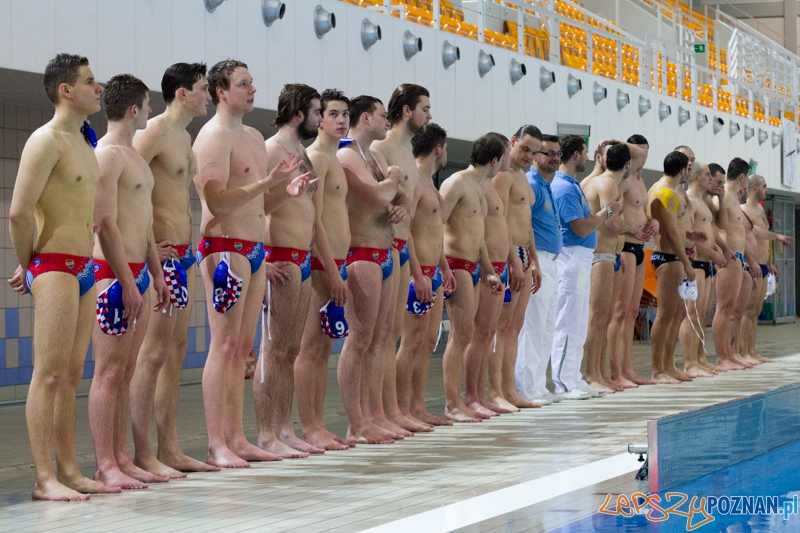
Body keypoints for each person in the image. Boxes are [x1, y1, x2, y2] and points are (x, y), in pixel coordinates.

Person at [193, 59, 313, 468]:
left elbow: (261, 205)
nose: (252, 90)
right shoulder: (212, 137)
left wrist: (286, 191)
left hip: (253, 249)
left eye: (252, 83)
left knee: (242, 348)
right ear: (220, 92)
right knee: (223, 345)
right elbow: (218, 201)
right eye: (243, 84)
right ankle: (216, 442)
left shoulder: (252, 136)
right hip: (223, 246)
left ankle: (237, 436)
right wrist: (265, 183)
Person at [8, 54, 117, 501]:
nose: (100, 88)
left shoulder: (85, 144)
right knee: (47, 374)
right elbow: (17, 212)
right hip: (52, 264)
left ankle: (69, 469)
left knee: (71, 375)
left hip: (84, 268)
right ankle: (43, 478)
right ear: (65, 90)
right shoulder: (45, 140)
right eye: (91, 81)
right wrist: (30, 263)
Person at [129, 62, 220, 477]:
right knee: (151, 354)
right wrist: (148, 245)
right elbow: (125, 188)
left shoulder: (185, 137)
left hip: (182, 257)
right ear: (182, 93)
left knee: (175, 351)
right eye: (203, 88)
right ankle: (143, 451)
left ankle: (169, 447)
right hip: (159, 259)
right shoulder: (152, 133)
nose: (209, 95)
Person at [87, 74, 171, 489]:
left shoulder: (134, 156)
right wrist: (127, 281)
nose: (152, 110)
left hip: (137, 273)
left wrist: (155, 273)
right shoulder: (106, 156)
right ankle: (105, 463)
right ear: (135, 108)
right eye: (148, 104)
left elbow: (145, 223)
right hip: (112, 276)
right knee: (108, 372)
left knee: (126, 368)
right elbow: (105, 225)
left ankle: (121, 456)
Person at [255, 84, 323, 458]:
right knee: (273, 349)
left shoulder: (302, 154)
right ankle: (266, 432)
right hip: (278, 256)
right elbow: (258, 204)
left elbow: (308, 210)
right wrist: (262, 259)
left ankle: (284, 427)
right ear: (299, 114)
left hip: (302, 257)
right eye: (316, 112)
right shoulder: (270, 150)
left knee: (290, 349)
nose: (320, 119)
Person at [336, 95, 406, 443]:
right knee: (359, 339)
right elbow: (379, 197)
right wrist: (393, 178)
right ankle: (356, 423)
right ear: (365, 118)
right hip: (360, 252)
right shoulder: (347, 155)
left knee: (381, 338)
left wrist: (397, 202)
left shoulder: (375, 156)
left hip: (385, 251)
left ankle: (373, 415)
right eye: (382, 116)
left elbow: (399, 198)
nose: (387, 121)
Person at [371, 84, 432, 434]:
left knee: (391, 333)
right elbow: (375, 200)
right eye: (425, 108)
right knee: (377, 336)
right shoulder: (381, 147)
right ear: (407, 111)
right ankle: (376, 414)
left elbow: (405, 212)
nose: (429, 115)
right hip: (380, 248)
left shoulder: (406, 151)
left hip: (399, 249)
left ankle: (390, 410)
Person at [294, 89, 352, 451]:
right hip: (320, 263)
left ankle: (318, 423)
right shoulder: (315, 157)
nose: (341, 119)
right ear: (319, 119)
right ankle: (309, 426)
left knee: (322, 349)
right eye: (332, 113)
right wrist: (330, 270)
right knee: (309, 348)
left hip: (335, 262)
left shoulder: (336, 160)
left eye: (344, 113)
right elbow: (312, 220)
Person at [440, 133, 505, 422]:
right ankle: (452, 403)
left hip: (474, 265)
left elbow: (478, 237)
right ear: (495, 160)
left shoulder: (479, 188)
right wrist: (441, 266)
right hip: (455, 263)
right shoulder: (457, 183)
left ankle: (473, 398)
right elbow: (435, 223)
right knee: (460, 335)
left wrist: (489, 271)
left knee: (473, 335)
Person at [395, 123, 455, 427]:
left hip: (433, 272)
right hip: (416, 273)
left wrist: (443, 268)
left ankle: (417, 406)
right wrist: (417, 274)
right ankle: (400, 409)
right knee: (412, 342)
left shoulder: (431, 184)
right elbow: (404, 232)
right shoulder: (415, 182)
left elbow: (433, 233)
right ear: (438, 148)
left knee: (428, 341)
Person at [550, 135, 619, 399]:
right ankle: (563, 381)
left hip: (580, 259)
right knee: (567, 321)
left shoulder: (573, 185)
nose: (588, 157)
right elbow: (580, 227)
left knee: (577, 321)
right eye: (585, 152)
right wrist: (606, 213)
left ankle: (573, 377)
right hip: (571, 257)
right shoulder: (564, 187)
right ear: (576, 154)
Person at [490, 125, 543, 410]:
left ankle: (509, 388)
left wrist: (533, 261)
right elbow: (498, 221)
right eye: (525, 149)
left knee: (514, 327)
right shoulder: (503, 175)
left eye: (534, 152)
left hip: (523, 255)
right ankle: (495, 390)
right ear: (512, 142)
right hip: (508, 256)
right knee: (500, 327)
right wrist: (512, 259)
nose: (529, 156)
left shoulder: (523, 178)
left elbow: (527, 224)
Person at [515, 135, 571, 404]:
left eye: (557, 153)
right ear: (536, 156)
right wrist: (532, 261)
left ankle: (538, 384)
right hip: (537, 261)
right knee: (533, 326)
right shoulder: (530, 183)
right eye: (548, 153)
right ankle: (526, 386)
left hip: (552, 262)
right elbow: (524, 228)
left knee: (547, 326)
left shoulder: (546, 186)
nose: (555, 158)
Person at [463, 134, 515, 416]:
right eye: (508, 153)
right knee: (476, 333)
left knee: (487, 333)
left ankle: (481, 394)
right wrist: (487, 267)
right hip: (482, 267)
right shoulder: (475, 185)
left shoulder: (487, 186)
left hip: (496, 265)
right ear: (496, 157)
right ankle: (471, 395)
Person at [606, 134, 657, 388]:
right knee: (620, 312)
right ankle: (616, 371)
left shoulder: (640, 181)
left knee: (633, 312)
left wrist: (653, 221)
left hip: (639, 248)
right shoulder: (623, 181)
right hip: (625, 247)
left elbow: (642, 212)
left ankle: (628, 368)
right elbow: (611, 213)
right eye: (639, 154)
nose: (642, 158)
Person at [581, 142, 632, 394]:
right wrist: (632, 228)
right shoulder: (607, 183)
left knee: (603, 319)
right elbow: (611, 224)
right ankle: (590, 374)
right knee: (596, 318)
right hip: (599, 255)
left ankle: (599, 371)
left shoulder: (603, 181)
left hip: (607, 256)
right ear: (627, 164)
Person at [647, 151, 695, 383]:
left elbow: (675, 229)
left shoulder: (662, 190)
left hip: (670, 256)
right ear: (683, 170)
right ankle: (658, 370)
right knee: (665, 315)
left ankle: (669, 365)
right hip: (667, 258)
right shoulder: (665, 193)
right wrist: (686, 263)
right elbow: (671, 232)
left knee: (674, 315)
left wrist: (691, 235)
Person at [678, 162, 725, 378]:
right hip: (696, 262)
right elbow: (688, 236)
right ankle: (689, 362)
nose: (711, 179)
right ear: (696, 178)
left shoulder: (703, 202)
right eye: (707, 175)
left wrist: (717, 249)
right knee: (692, 314)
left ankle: (699, 358)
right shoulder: (689, 201)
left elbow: (711, 230)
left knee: (702, 314)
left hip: (707, 263)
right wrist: (712, 252)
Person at [740, 175, 793, 363]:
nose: (767, 189)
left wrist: (769, 262)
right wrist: (777, 236)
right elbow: (753, 234)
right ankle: (743, 352)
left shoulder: (761, 209)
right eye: (764, 186)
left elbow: (763, 241)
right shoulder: (744, 210)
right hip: (750, 265)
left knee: (755, 311)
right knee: (747, 311)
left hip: (762, 264)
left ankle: (752, 350)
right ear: (754, 189)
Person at [711, 158, 756, 371]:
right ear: (742, 177)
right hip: (728, 257)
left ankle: (729, 353)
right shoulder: (725, 197)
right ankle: (722, 356)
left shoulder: (732, 200)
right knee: (724, 308)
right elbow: (713, 226)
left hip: (736, 257)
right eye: (747, 178)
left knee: (730, 309)